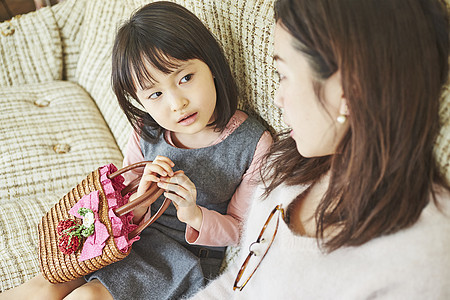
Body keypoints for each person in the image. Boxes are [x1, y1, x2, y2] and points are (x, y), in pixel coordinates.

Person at [0, 2, 271, 300]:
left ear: (211, 64)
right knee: (46, 284)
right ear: (140, 100)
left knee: (87, 297)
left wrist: (194, 214)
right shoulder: (147, 130)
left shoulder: (252, 142)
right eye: (155, 94)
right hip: (128, 235)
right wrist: (140, 196)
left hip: (180, 258)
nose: (176, 103)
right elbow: (122, 203)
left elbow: (240, 229)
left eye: (185, 78)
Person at [190, 0, 450, 299]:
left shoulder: (423, 256)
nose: (278, 98)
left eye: (283, 75)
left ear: (348, 90)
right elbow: (239, 284)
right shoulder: (285, 166)